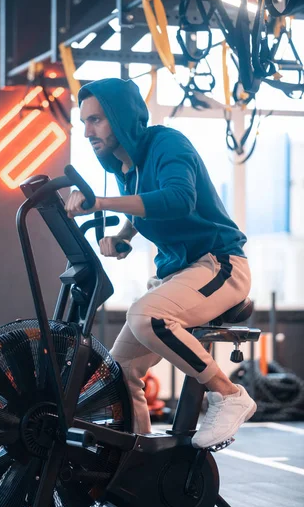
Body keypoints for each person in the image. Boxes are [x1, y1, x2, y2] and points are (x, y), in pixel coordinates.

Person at [65, 77, 257, 448]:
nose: (87, 130)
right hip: (177, 272)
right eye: (84, 121)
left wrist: (101, 203)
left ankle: (228, 394)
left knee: (146, 316)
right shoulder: (126, 168)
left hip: (220, 264)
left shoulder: (166, 143)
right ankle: (137, 466)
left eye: (97, 120)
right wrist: (124, 235)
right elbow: (145, 206)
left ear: (121, 117)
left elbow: (177, 199)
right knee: (121, 371)